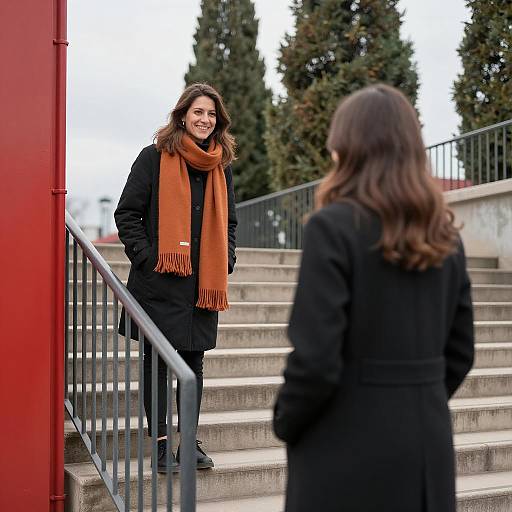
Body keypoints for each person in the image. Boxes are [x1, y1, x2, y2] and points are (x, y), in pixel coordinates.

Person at [273, 84, 474, 512]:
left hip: (345, 452)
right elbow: (461, 353)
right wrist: (415, 397)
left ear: (349, 147)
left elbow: (315, 360)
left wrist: (286, 422)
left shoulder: (332, 227)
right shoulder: (447, 238)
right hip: (427, 450)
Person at [115, 83, 237, 472]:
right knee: (157, 363)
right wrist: (149, 258)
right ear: (182, 115)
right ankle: (163, 446)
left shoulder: (220, 165)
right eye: (198, 112)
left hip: (202, 285)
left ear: (218, 122)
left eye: (211, 114)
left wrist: (226, 259)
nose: (204, 120)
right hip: (160, 284)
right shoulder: (153, 158)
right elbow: (127, 214)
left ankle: (189, 443)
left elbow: (229, 222)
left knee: (194, 362)